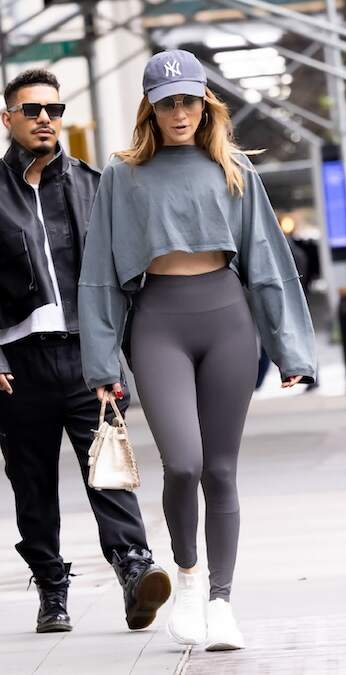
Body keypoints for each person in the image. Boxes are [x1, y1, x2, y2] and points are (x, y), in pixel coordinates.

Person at [78, 49, 318, 651]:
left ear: (204, 104)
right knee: (182, 464)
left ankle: (221, 602)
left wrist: (291, 349)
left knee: (221, 469)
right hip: (158, 322)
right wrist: (103, 362)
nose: (179, 112)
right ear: (151, 110)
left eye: (188, 100)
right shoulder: (121, 176)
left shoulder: (235, 169)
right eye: (167, 103)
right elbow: (101, 275)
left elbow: (269, 265)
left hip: (228, 322)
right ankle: (186, 578)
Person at [0, 68, 170, 634]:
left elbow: (123, 274)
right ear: (8, 119)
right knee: (32, 484)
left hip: (86, 356)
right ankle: (53, 590)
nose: (45, 118)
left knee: (110, 467)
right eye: (32, 110)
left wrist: (128, 349)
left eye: (54, 108)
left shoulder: (91, 183)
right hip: (17, 364)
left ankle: (134, 569)